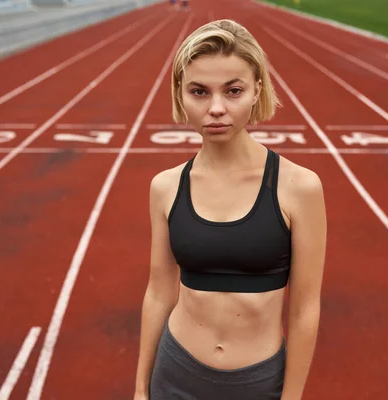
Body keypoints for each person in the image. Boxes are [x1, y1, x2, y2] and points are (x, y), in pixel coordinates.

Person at [134, 19, 326, 400]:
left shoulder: (299, 187)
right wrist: (141, 390)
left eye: (233, 90)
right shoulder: (166, 187)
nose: (216, 108)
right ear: (180, 94)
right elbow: (159, 293)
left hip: (256, 383)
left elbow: (304, 311)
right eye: (199, 92)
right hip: (174, 374)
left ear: (257, 89)